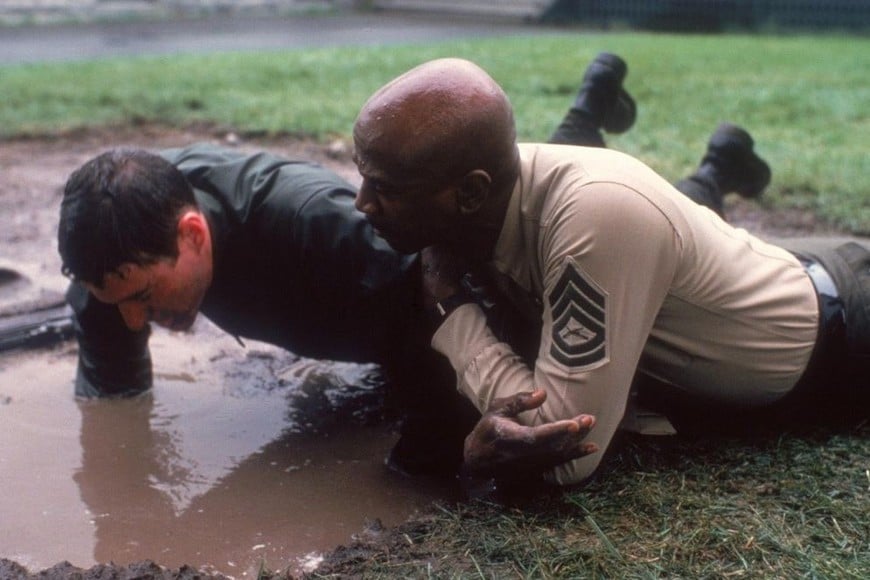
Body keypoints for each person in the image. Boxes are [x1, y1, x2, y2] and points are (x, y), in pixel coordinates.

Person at [57, 54, 776, 478]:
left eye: (147, 298)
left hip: (453, 269)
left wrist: (422, 462)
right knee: (539, 208)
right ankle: (594, 100)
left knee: (557, 237)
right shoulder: (110, 258)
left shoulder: (334, 237)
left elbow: (442, 327)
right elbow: (112, 403)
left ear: (193, 235)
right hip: (425, 259)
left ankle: (715, 170)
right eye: (113, 301)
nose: (131, 319)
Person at [351, 57, 869, 486]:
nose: (361, 203)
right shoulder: (491, 190)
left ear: (471, 192)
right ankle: (721, 165)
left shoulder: (594, 219)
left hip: (840, 334)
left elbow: (567, 452)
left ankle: (719, 165)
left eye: (386, 190)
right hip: (755, 268)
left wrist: (451, 310)